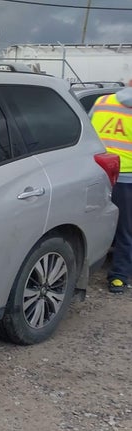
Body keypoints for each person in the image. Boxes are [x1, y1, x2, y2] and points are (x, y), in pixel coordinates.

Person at [91, 80, 132, 293]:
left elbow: (87, 131)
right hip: (126, 176)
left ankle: (86, 266)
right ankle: (118, 277)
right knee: (126, 230)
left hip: (97, 172)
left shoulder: (102, 101)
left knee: (92, 221)